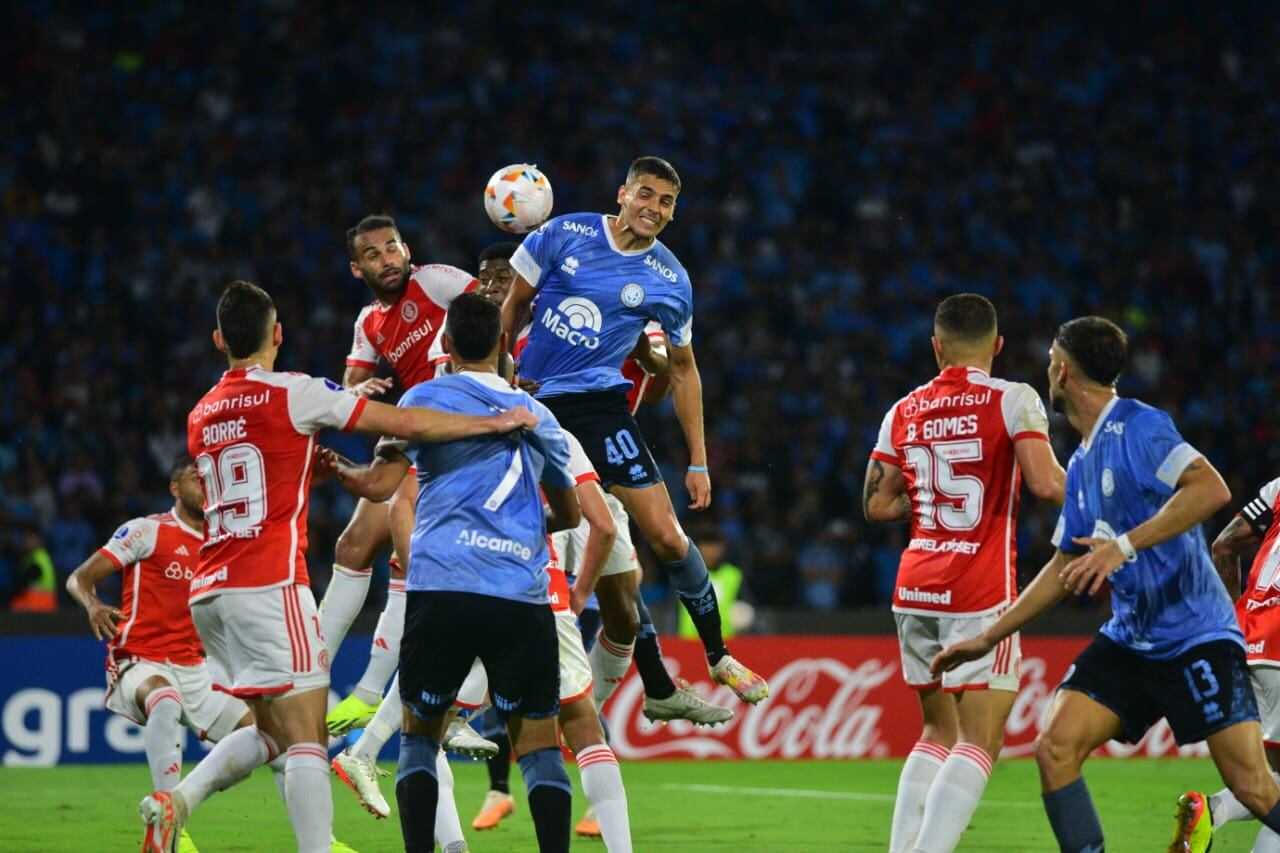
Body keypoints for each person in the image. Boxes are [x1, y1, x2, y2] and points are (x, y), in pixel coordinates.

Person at [137, 280, 536, 853]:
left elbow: (252, 478)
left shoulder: (202, 412)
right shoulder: (295, 392)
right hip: (269, 583)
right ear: (278, 334)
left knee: (271, 731)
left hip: (211, 591)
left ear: (219, 339)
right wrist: (493, 423)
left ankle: (178, 803)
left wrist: (313, 470)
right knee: (307, 737)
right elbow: (406, 424)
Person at [932, 316, 1280, 853]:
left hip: (1197, 637)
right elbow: (1062, 566)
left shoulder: (1139, 424)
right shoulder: (1082, 459)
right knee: (1055, 748)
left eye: (1051, 357)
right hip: (1132, 639)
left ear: (1063, 370)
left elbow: (1211, 490)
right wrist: (988, 636)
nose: (1047, 365)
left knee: (1254, 788)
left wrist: (1124, 545)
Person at [501, 155, 767, 712]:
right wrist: (502, 381)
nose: (654, 207)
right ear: (622, 193)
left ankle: (717, 655)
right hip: (534, 401)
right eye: (646, 194)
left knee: (667, 535)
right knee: (537, 535)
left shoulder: (670, 279)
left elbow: (685, 368)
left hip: (600, 409)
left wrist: (699, 460)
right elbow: (511, 307)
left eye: (666, 202)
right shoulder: (562, 232)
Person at [327, 291, 582, 853]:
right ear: (502, 344)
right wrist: (524, 525)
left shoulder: (424, 396)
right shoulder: (537, 414)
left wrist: (345, 470)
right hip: (519, 591)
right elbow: (569, 513)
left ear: (444, 345)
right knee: (539, 749)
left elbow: (381, 485)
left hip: (441, 588)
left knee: (420, 738)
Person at [863, 294, 1065, 853]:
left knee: (936, 731)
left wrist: (926, 499)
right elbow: (1048, 485)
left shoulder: (902, 409)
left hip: (913, 587)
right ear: (997, 346)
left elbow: (876, 506)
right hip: (978, 594)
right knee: (981, 739)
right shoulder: (1013, 399)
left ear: (936, 347)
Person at [323, 214, 480, 737]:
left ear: (406, 249)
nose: (387, 259)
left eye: (392, 248)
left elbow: (495, 312)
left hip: (455, 427)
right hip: (411, 429)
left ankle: (384, 693)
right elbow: (352, 381)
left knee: (403, 546)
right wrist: (356, 392)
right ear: (356, 268)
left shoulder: (436, 281)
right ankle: (309, 673)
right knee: (351, 548)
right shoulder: (369, 320)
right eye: (374, 254)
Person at [68, 456, 259, 853]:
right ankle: (168, 831)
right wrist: (92, 604)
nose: (204, 484)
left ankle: (177, 808)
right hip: (140, 661)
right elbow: (79, 577)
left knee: (265, 736)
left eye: (208, 478)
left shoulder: (223, 545)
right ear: (175, 488)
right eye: (194, 477)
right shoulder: (147, 531)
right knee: (165, 699)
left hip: (197, 668)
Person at [1171, 477, 1280, 852]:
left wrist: (1233, 623)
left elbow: (1223, 545)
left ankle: (1211, 810)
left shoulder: (1278, 488)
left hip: (1249, 639)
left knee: (1270, 778)